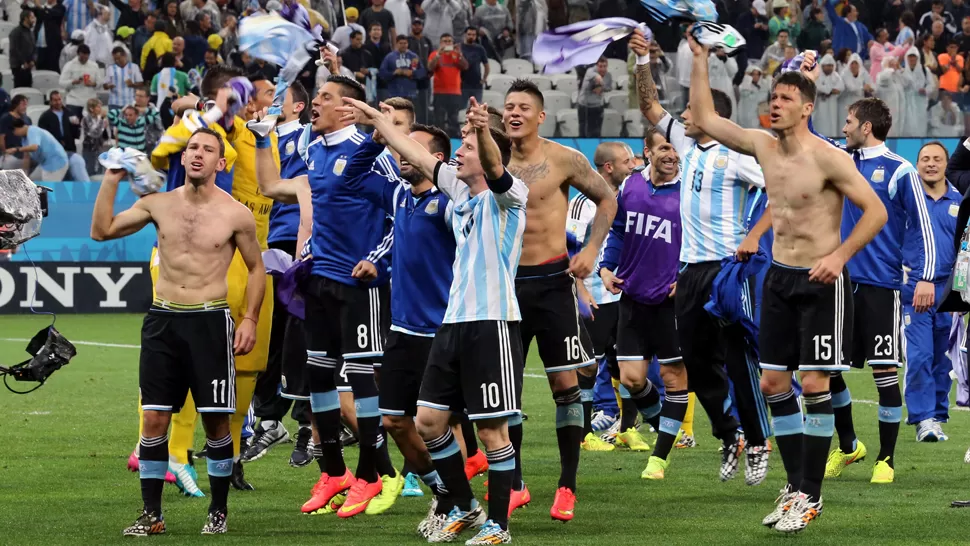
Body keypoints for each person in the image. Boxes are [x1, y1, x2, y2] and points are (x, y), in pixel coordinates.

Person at [688, 36, 887, 533]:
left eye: (783, 100)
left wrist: (840, 256)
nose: (773, 106)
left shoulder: (828, 158)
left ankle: (811, 496)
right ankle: (797, 486)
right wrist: (699, 58)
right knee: (773, 383)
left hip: (822, 282)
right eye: (771, 99)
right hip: (778, 279)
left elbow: (876, 212)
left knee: (816, 383)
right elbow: (707, 121)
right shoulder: (762, 146)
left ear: (806, 107)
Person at [341, 93, 525, 545]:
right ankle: (464, 506)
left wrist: (480, 130)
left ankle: (498, 528)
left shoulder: (510, 197)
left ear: (484, 156)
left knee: (490, 429)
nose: (456, 155)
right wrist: (376, 122)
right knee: (427, 421)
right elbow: (414, 152)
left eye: (464, 150)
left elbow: (497, 171)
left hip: (493, 324)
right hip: (453, 323)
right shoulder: (458, 191)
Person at [91, 128, 265, 536]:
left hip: (210, 321)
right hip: (162, 321)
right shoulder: (157, 204)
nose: (198, 154)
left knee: (216, 423)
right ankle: (151, 516)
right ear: (183, 159)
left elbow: (257, 268)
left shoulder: (235, 213)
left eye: (208, 149)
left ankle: (218, 511)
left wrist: (251, 318)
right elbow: (101, 231)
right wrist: (111, 179)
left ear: (221, 163)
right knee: (153, 419)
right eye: (192, 148)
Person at [252, 72, 399, 518]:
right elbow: (295, 197)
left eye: (325, 96)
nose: (315, 102)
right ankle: (334, 472)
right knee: (317, 378)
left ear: (348, 109)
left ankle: (372, 476)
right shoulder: (313, 149)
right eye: (316, 95)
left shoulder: (370, 155)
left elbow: (401, 212)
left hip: (360, 283)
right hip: (319, 280)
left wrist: (377, 258)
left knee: (359, 379)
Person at [631, 28, 773, 486]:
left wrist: (754, 234)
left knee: (738, 358)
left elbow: (782, 191)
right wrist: (641, 63)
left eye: (691, 110)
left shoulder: (736, 155)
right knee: (693, 360)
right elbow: (651, 108)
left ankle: (757, 441)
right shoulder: (686, 145)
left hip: (728, 270)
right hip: (690, 272)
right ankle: (729, 434)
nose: (682, 116)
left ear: (712, 117)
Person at [500, 78, 616, 522]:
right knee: (504, 393)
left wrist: (589, 250)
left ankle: (567, 485)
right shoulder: (492, 157)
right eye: (509, 106)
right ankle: (514, 485)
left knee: (565, 385)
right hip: (506, 286)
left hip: (552, 282)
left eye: (523, 107)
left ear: (540, 115)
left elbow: (608, 199)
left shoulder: (564, 159)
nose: (514, 113)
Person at [820, 97, 934, 487]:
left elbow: (922, 227)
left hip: (882, 286)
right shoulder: (838, 159)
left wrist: (923, 275)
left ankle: (885, 459)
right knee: (826, 369)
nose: (845, 127)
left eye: (850, 121)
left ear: (866, 127)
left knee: (884, 372)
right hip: (836, 283)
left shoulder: (899, 170)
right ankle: (849, 444)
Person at [598, 128, 688, 481]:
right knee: (633, 379)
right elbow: (618, 229)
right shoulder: (631, 186)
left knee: (673, 377)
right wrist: (607, 266)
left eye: (674, 148)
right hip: (633, 297)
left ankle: (659, 458)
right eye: (663, 147)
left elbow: (700, 239)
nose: (671, 154)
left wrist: (685, 277)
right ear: (646, 152)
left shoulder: (688, 193)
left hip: (670, 301)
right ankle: (668, 428)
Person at [242, 83, 314, 468]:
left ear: (298, 106)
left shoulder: (307, 136)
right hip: (272, 243)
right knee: (270, 337)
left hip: (303, 245)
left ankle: (307, 423)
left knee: (298, 339)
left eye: (277, 96)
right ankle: (269, 419)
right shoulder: (258, 135)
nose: (268, 102)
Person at [569, 141, 634, 451]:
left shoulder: (628, 199)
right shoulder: (583, 203)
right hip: (593, 296)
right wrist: (579, 288)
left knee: (626, 362)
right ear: (609, 167)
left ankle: (627, 428)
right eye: (626, 161)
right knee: (588, 367)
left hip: (622, 295)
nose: (632, 165)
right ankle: (584, 435)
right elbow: (567, 245)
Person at [903, 141, 961, 442]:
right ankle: (923, 418)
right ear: (917, 163)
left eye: (937, 159)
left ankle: (937, 415)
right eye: (924, 158)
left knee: (945, 358)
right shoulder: (907, 200)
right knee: (920, 355)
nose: (930, 164)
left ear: (946, 163)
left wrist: (961, 291)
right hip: (914, 288)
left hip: (949, 289)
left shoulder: (959, 200)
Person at [37, 90, 88, 181]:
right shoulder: (45, 117)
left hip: (69, 150)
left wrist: (76, 125)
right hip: (53, 154)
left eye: (59, 99)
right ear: (51, 102)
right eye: (55, 100)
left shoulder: (70, 113)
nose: (58, 102)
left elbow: (76, 135)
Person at [428, 34, 467, 137]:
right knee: (439, 121)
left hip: (455, 93)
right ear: (440, 43)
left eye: (449, 41)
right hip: (439, 92)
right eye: (445, 41)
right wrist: (438, 55)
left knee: (453, 120)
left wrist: (460, 55)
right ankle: (440, 143)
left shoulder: (457, 54)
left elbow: (465, 67)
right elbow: (430, 68)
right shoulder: (434, 54)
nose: (447, 43)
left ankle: (454, 145)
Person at [60, 45, 104, 117]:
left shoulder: (94, 65)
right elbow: (61, 82)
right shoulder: (69, 65)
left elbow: (100, 82)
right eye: (82, 57)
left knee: (91, 126)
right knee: (73, 126)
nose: (84, 60)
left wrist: (93, 84)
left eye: (86, 58)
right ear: (78, 54)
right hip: (74, 101)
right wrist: (73, 82)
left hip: (90, 102)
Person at [379, 35, 425, 102]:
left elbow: (422, 72)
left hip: (411, 93)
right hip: (394, 94)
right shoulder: (389, 57)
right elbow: (382, 73)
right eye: (401, 43)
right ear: (396, 44)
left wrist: (413, 73)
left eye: (405, 43)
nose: (403, 45)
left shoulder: (414, 56)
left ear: (408, 44)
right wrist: (394, 73)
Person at [900, 47, 932, 137]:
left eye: (914, 56)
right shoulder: (902, 71)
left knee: (920, 126)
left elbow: (931, 85)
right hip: (906, 103)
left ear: (917, 58)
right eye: (910, 56)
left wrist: (925, 90)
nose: (912, 59)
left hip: (921, 103)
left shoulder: (925, 70)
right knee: (907, 126)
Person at [577, 57, 611, 137]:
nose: (602, 69)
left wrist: (602, 88)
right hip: (585, 106)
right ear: (596, 66)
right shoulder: (590, 72)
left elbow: (609, 87)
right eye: (600, 66)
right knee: (584, 133)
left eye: (604, 66)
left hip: (598, 106)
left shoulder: (608, 75)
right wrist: (599, 78)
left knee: (596, 132)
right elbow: (595, 76)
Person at [812, 54, 844, 137]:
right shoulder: (817, 75)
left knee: (832, 124)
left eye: (831, 65)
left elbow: (841, 87)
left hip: (832, 105)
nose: (829, 67)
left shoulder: (836, 76)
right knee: (820, 124)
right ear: (822, 66)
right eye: (827, 65)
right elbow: (817, 87)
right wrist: (830, 90)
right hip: (820, 105)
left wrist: (827, 90)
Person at [104, 47, 144, 112]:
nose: (117, 61)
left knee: (129, 121)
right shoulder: (110, 68)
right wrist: (108, 86)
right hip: (114, 102)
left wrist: (132, 85)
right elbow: (105, 85)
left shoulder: (134, 67)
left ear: (124, 55)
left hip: (129, 102)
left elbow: (141, 83)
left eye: (119, 58)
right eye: (115, 59)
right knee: (114, 121)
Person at [460, 27, 489, 106]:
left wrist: (484, 79)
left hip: (476, 84)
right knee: (461, 108)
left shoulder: (480, 49)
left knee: (476, 108)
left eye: (473, 35)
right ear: (464, 35)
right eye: (469, 34)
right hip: (462, 84)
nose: (471, 36)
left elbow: (486, 66)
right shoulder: (459, 48)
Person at [838, 53, 873, 119]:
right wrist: (863, 88)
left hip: (859, 103)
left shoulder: (863, 72)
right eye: (852, 63)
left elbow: (871, 84)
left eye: (856, 63)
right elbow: (851, 88)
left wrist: (870, 88)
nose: (854, 66)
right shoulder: (844, 74)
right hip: (846, 103)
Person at [9, 10, 37, 88]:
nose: (34, 20)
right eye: (32, 17)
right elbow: (14, 49)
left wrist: (33, 60)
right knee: (19, 89)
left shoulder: (31, 32)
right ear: (25, 18)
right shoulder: (15, 32)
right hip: (18, 67)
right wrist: (23, 62)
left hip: (29, 67)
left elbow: (34, 48)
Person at [81, 97, 108, 175]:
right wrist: (101, 120)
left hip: (99, 147)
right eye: (98, 107)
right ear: (91, 109)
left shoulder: (100, 119)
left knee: (100, 169)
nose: (100, 109)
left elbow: (104, 134)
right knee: (89, 169)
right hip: (88, 148)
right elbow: (94, 133)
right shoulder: (85, 119)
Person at [738, 64, 770, 129]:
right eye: (753, 74)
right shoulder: (744, 86)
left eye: (757, 74)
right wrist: (747, 77)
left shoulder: (764, 86)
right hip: (745, 118)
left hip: (760, 117)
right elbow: (744, 93)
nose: (755, 76)